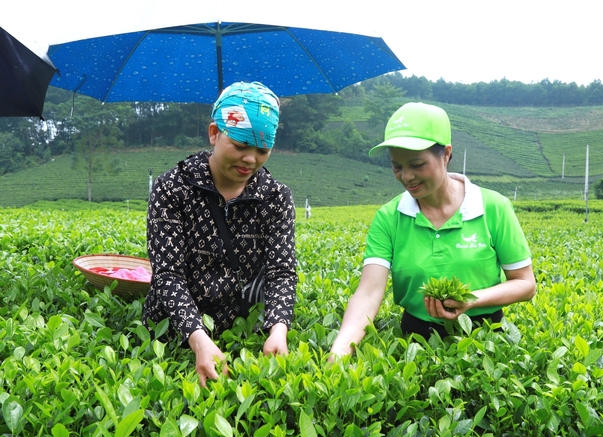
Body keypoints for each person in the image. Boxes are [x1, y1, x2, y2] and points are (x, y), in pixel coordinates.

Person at [329, 102, 536, 357]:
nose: (406, 176)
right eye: (397, 166)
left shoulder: (493, 207)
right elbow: (369, 292)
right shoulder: (388, 217)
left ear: (446, 154)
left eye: (417, 165)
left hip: (487, 338)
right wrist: (339, 351)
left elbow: (525, 284)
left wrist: (472, 298)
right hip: (416, 342)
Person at [142, 81, 297, 387]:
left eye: (262, 150)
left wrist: (278, 327)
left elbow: (281, 272)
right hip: (172, 333)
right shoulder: (172, 189)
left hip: (244, 330)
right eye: (240, 146)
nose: (250, 159)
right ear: (214, 133)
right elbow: (168, 274)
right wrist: (198, 340)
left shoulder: (275, 197)